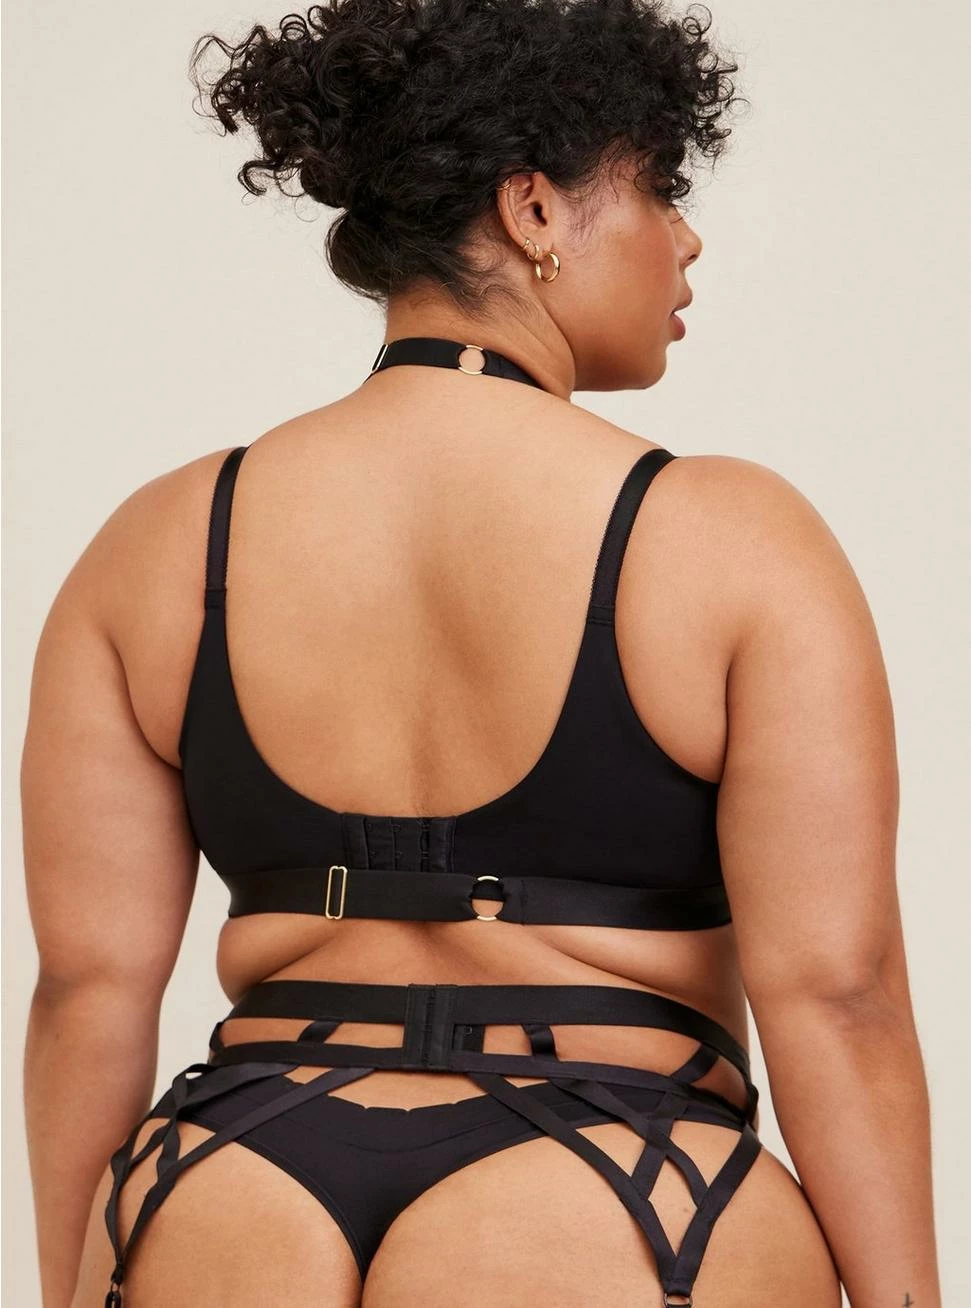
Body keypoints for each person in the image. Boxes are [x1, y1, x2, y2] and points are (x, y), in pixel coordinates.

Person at [21, 2, 940, 1305]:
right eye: (659, 187)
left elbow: (85, 992)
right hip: (619, 1203)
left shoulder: (160, 541)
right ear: (532, 208)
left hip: (227, 1194)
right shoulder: (728, 537)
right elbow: (839, 995)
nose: (686, 238)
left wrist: (86, 1277)